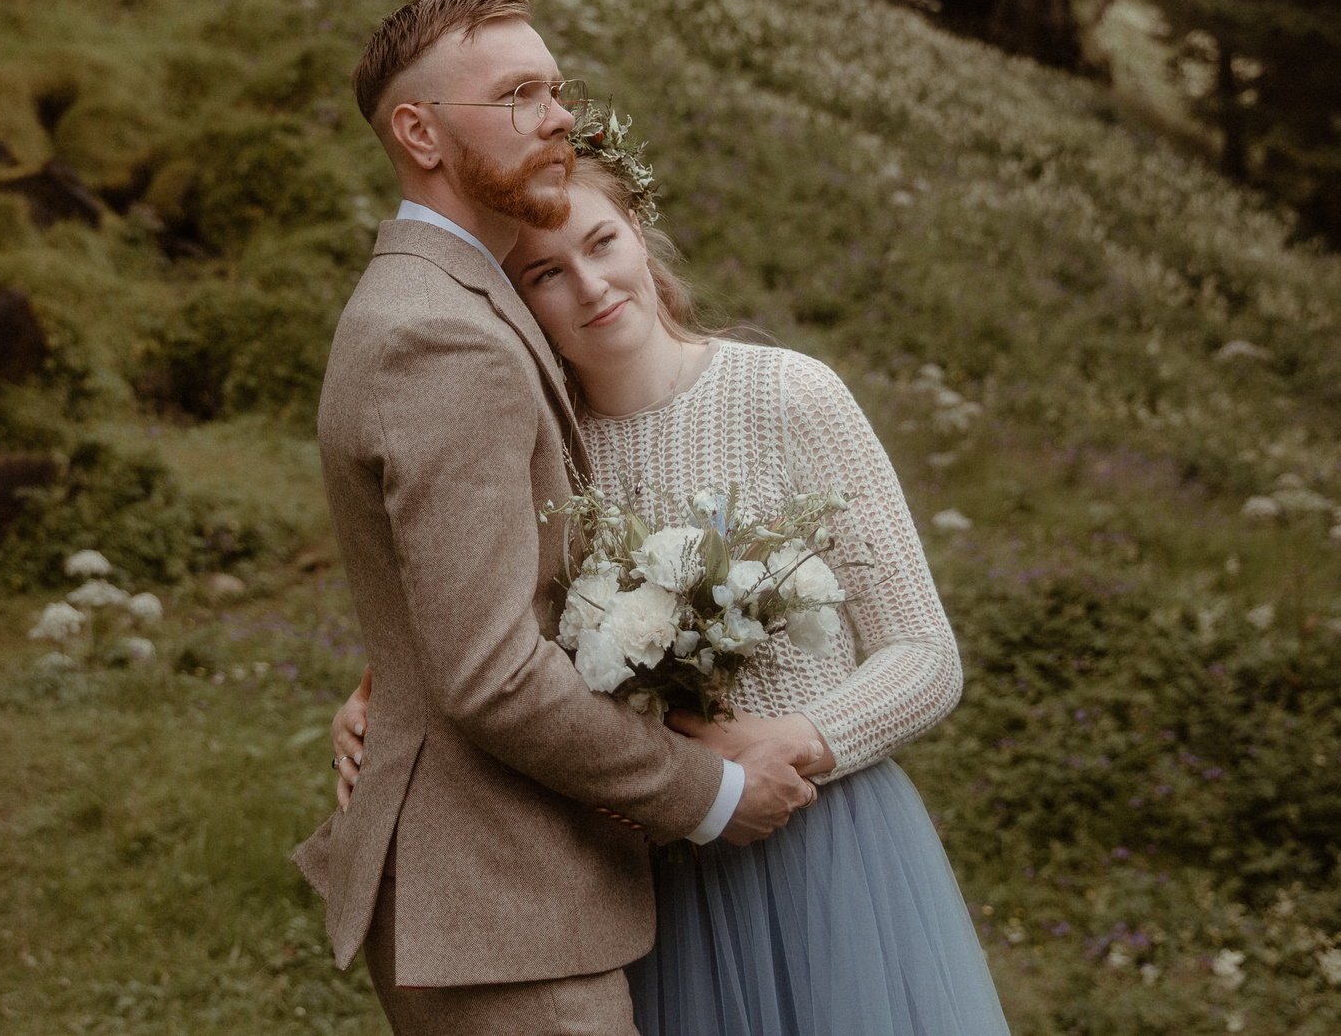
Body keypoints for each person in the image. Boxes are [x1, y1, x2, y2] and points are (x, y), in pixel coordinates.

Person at [331, 107, 1013, 1036]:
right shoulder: (542, 454)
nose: (591, 285)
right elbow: (485, 631)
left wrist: (796, 740)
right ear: (516, 304)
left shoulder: (790, 393)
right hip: (656, 875)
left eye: (601, 243)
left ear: (639, 231)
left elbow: (926, 653)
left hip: (828, 846)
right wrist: (379, 695)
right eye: (544, 274)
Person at [296, 0, 817, 1036]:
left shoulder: (446, 300)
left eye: (556, 89)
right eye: (517, 95)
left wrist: (388, 688)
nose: (559, 118)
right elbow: (490, 672)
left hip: (504, 900)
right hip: (497, 906)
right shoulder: (443, 336)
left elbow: (457, 591)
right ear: (419, 133)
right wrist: (709, 794)